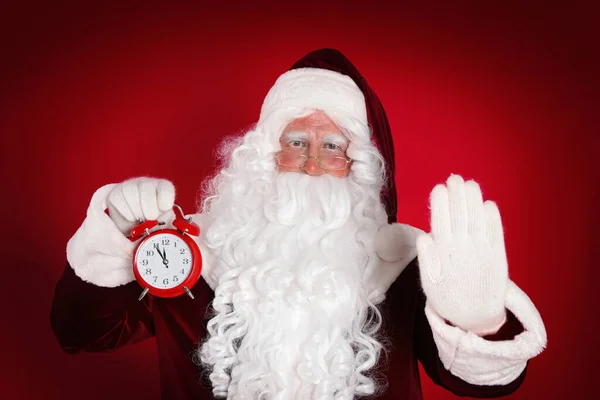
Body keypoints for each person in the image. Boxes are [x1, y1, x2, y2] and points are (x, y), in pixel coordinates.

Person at [51, 48, 547, 399]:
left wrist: (481, 326)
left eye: (332, 146)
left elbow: (479, 385)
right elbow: (84, 333)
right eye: (295, 142)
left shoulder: (406, 262)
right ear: (264, 153)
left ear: (359, 165)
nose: (311, 164)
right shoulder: (190, 254)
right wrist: (117, 228)